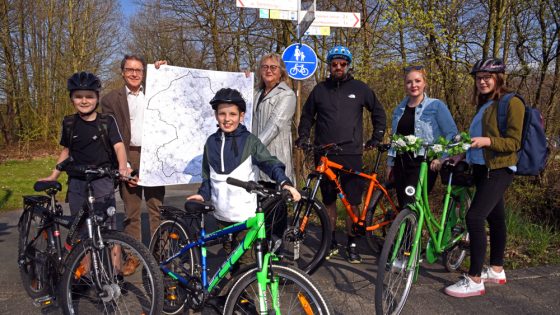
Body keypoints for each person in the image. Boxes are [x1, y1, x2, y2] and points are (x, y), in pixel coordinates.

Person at [187, 88, 301, 267]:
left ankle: (243, 294)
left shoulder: (250, 141)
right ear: (216, 116)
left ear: (241, 116)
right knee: (229, 262)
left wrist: (284, 182)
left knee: (247, 266)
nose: (227, 118)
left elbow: (269, 163)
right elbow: (208, 176)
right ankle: (232, 292)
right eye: (222, 114)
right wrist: (202, 194)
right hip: (221, 217)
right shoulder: (210, 142)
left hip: (245, 219)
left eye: (232, 114)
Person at [295, 45, 387, 264]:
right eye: (334, 64)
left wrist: (377, 136)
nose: (338, 67)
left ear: (348, 65)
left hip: (352, 153)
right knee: (328, 201)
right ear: (329, 66)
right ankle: (330, 240)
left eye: (342, 64)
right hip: (325, 154)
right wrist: (304, 136)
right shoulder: (319, 90)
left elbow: (378, 112)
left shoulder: (360, 88)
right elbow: (307, 117)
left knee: (352, 202)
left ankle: (353, 242)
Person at [445, 58, 524, 298]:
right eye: (479, 78)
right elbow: (473, 139)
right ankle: (497, 269)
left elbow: (514, 142)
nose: (482, 81)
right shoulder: (484, 105)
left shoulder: (512, 102)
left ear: (499, 78)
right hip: (481, 168)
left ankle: (475, 278)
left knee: (475, 217)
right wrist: (461, 155)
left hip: (499, 169)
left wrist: (487, 141)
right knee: (496, 218)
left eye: (487, 77)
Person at [40, 71, 128, 272]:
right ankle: (84, 271)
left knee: (109, 227)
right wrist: (54, 175)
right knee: (81, 229)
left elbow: (119, 146)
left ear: (97, 97)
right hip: (77, 182)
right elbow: (66, 151)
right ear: (72, 98)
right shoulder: (69, 123)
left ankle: (115, 271)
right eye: (78, 96)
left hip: (102, 181)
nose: (84, 101)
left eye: (89, 96)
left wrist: (122, 167)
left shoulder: (106, 122)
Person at [100, 55, 167, 276]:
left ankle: (161, 254)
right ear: (122, 72)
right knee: (132, 212)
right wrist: (125, 165)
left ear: (144, 73)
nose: (135, 73)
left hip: (154, 156)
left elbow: (175, 98)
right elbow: (112, 135)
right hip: (129, 154)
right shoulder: (110, 99)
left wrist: (164, 73)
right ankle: (134, 257)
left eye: (139, 70)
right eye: (130, 69)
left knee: (157, 208)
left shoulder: (156, 93)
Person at [387, 65, 458, 208]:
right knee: (403, 206)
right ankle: (409, 230)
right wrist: (390, 164)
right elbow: (395, 139)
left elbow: (452, 134)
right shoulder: (399, 109)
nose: (413, 85)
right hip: (401, 163)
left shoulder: (436, 106)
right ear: (405, 85)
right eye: (409, 82)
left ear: (425, 83)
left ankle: (411, 230)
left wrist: (442, 157)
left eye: (417, 81)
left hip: (424, 163)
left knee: (411, 203)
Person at [252, 53, 296, 239]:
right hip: (256, 162)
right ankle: (261, 249)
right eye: (265, 67)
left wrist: (251, 148)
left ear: (281, 72)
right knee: (259, 208)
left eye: (273, 67)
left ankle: (276, 252)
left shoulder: (287, 95)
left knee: (276, 209)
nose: (268, 70)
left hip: (275, 158)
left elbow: (274, 125)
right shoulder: (255, 93)